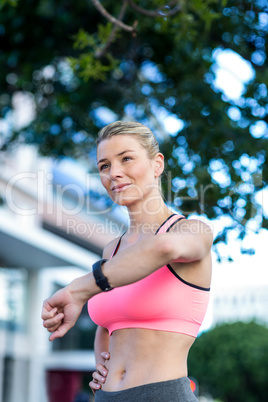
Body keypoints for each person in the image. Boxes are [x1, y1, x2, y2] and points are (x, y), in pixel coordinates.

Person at [42, 121, 213, 401]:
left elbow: (163, 247)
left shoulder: (193, 231)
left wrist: (78, 290)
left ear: (157, 164)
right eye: (104, 166)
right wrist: (102, 368)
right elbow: (109, 323)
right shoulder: (112, 251)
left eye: (126, 159)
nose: (114, 173)